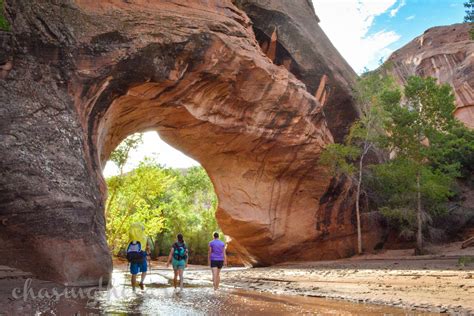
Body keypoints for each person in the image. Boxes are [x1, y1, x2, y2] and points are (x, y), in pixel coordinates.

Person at [126, 222, 149, 290]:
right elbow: (148, 248)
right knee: (144, 270)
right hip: (142, 257)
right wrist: (148, 252)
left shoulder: (131, 238)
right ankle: (141, 282)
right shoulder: (144, 237)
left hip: (133, 258)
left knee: (134, 274)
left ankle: (133, 289)